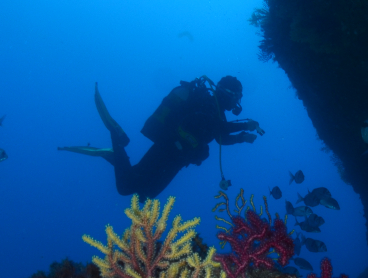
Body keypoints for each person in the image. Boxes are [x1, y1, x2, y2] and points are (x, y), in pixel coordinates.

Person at [60, 76, 261, 198]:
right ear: (229, 93)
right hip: (168, 149)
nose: (237, 102)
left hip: (178, 159)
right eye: (237, 97)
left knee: (145, 192)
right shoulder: (205, 102)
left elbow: (221, 138)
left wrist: (241, 137)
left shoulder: (217, 112)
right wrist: (245, 126)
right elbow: (221, 129)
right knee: (126, 187)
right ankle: (117, 137)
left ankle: (114, 154)